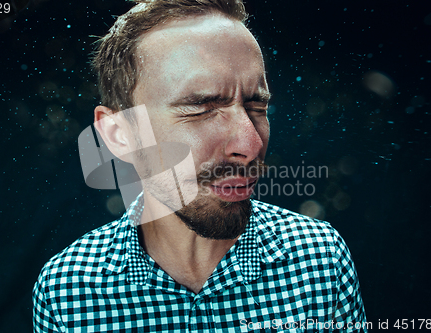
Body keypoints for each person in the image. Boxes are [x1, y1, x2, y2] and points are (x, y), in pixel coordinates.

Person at [33, 0, 368, 331]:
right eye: (201, 107)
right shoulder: (67, 290)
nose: (250, 146)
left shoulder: (320, 261)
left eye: (257, 106)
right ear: (120, 134)